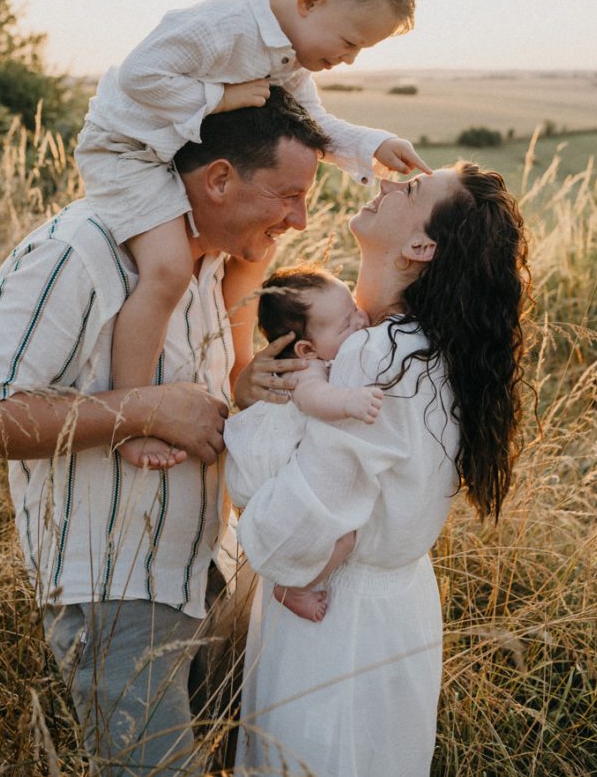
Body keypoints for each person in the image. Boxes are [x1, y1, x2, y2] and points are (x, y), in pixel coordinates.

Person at [0, 87, 330, 777]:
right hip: (115, 596)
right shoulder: (78, 252)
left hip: (204, 575)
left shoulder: (211, 262)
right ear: (218, 178)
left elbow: (193, 397)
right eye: (288, 195)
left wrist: (241, 393)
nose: (300, 219)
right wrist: (143, 410)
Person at [225, 163, 531, 777]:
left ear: (421, 248)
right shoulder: (426, 345)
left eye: (411, 189)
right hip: (397, 610)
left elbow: (294, 543)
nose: (389, 182)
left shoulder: (374, 355)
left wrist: (244, 494)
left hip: (334, 619)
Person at [74, 0, 431, 398]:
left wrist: (373, 144)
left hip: (176, 157)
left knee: (253, 258)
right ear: (309, 2)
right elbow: (140, 75)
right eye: (350, 43)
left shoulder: (291, 60)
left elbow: (313, 124)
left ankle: (236, 378)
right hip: (127, 152)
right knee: (168, 270)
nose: (349, 60)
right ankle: (134, 404)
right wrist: (219, 96)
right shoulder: (225, 26)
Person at [227, 266, 383, 622]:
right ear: (306, 348)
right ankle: (294, 588)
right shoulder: (306, 369)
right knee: (346, 539)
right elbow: (313, 398)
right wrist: (350, 402)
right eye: (347, 324)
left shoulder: (326, 349)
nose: (361, 320)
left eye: (355, 309)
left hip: (279, 487)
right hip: (272, 484)